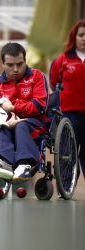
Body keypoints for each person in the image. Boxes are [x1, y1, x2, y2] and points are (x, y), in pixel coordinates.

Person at [0, 42, 50, 182]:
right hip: (8, 124)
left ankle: (25, 165)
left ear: (25, 61)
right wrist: (6, 122)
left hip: (35, 125)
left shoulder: (37, 76)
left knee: (21, 126)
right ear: (3, 65)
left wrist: (13, 108)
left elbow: (39, 106)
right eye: (10, 65)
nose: (16, 69)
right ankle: (1, 162)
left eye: (20, 64)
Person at [49, 19, 85, 179]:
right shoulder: (62, 60)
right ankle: (66, 183)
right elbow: (53, 81)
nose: (84, 38)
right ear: (74, 37)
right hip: (69, 115)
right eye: (81, 35)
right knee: (67, 153)